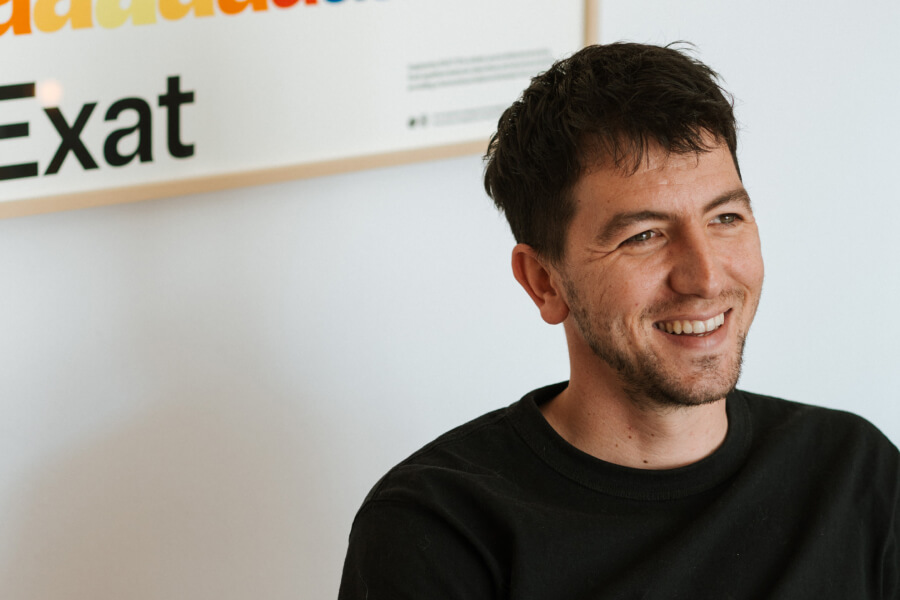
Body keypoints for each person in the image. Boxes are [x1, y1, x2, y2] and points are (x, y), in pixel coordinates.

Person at [338, 42, 900, 599]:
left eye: (726, 217)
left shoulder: (855, 472)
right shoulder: (438, 531)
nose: (705, 278)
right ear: (544, 281)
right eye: (644, 235)